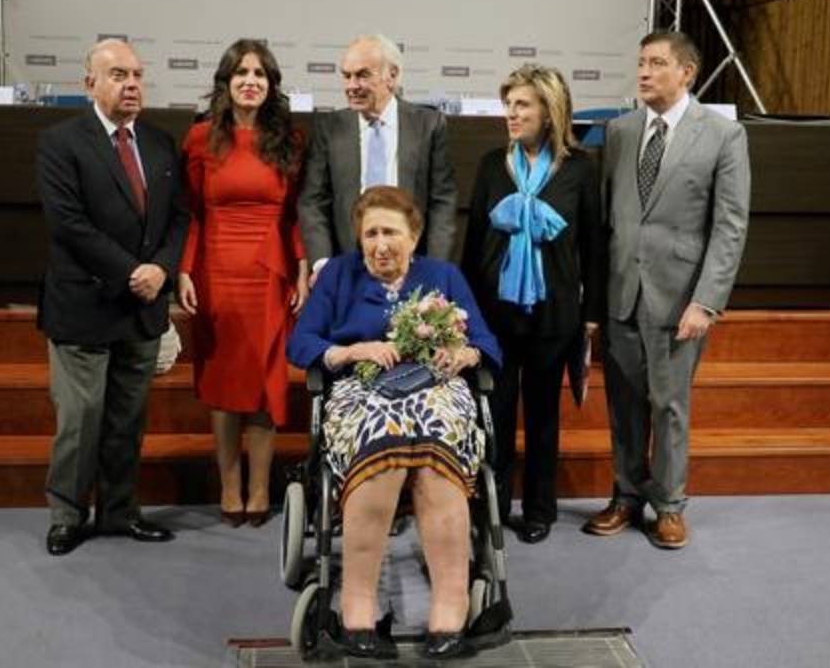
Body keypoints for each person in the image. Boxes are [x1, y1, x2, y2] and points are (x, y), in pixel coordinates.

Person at [287, 186, 501, 660]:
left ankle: (452, 602)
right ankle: (357, 603)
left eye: (391, 232)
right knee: (382, 450)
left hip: (436, 390)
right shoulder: (338, 276)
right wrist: (351, 350)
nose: (380, 244)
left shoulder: (442, 276)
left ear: (415, 235)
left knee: (437, 463)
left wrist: (464, 353)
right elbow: (300, 343)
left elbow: (487, 341)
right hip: (360, 391)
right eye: (371, 233)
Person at [582, 30, 750, 549]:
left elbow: (730, 226)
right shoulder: (621, 132)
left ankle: (670, 504)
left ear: (687, 72)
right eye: (640, 62)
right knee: (624, 404)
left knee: (669, 404)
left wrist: (707, 301)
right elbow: (607, 217)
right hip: (621, 293)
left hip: (681, 300)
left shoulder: (723, 135)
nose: (644, 72)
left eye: (656, 63)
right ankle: (627, 496)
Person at [37, 38, 189, 556]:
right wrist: (134, 272)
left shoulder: (159, 143)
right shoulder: (60, 142)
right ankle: (67, 514)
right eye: (119, 74)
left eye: (138, 75)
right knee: (80, 419)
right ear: (90, 84)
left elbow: (177, 219)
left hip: (141, 310)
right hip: (86, 305)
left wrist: (163, 270)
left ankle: (120, 511)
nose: (132, 85)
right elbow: (69, 225)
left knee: (127, 418)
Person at [461, 65, 604, 545]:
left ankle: (540, 510)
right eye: (509, 105)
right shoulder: (489, 165)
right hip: (495, 315)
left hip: (553, 315)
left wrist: (590, 316)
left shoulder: (582, 170)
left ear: (549, 110)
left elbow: (594, 247)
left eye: (522, 104)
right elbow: (474, 239)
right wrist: (466, 311)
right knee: (495, 415)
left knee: (543, 418)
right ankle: (495, 506)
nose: (511, 114)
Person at [175, 39, 308, 528]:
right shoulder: (200, 138)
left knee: (264, 383)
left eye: (260, 73)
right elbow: (191, 213)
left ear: (271, 84)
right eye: (241, 73)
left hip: (268, 273)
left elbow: (296, 215)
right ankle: (230, 488)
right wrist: (184, 270)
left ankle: (259, 490)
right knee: (224, 383)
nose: (250, 80)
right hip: (217, 272)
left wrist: (299, 267)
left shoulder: (290, 140)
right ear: (226, 82)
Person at [297, 33, 459, 277]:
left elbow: (443, 203)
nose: (351, 86)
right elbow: (312, 201)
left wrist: (435, 268)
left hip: (412, 268)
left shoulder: (428, 125)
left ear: (391, 76)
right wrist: (323, 265)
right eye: (346, 76)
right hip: (345, 269)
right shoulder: (329, 127)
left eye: (362, 75)